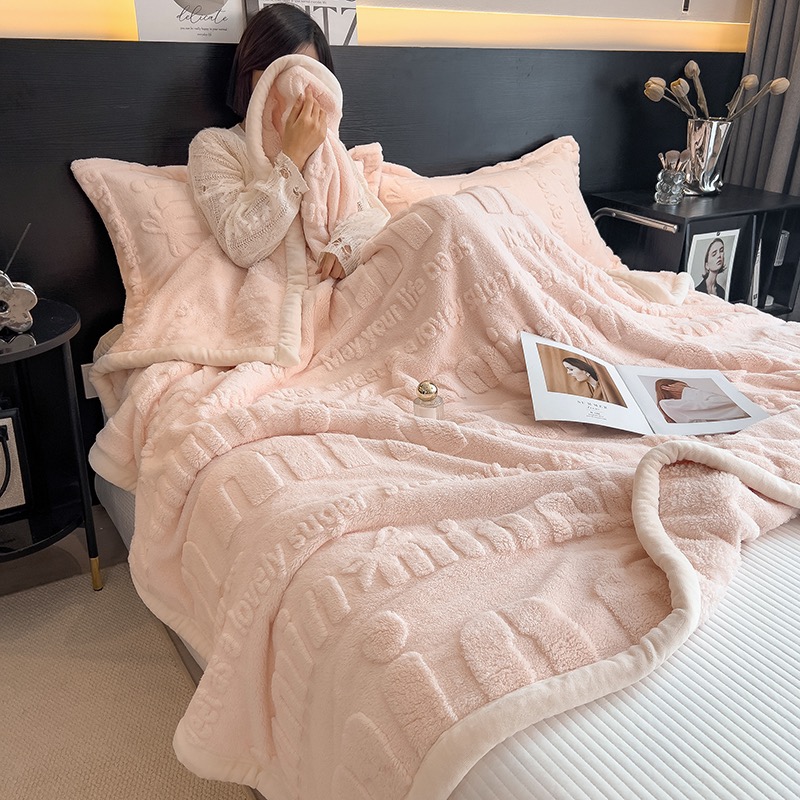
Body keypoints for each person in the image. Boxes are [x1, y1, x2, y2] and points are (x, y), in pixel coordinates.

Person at [187, 3, 388, 282]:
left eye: (307, 74)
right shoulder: (215, 146)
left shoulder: (328, 147)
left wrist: (347, 246)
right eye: (279, 71)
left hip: (335, 286)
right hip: (273, 292)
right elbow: (240, 244)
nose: (293, 85)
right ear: (250, 73)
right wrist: (293, 157)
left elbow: (374, 216)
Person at [654, 379, 747, 423]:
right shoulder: (667, 404)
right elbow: (730, 404)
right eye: (683, 387)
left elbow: (731, 404)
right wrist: (688, 391)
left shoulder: (691, 403)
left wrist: (689, 391)